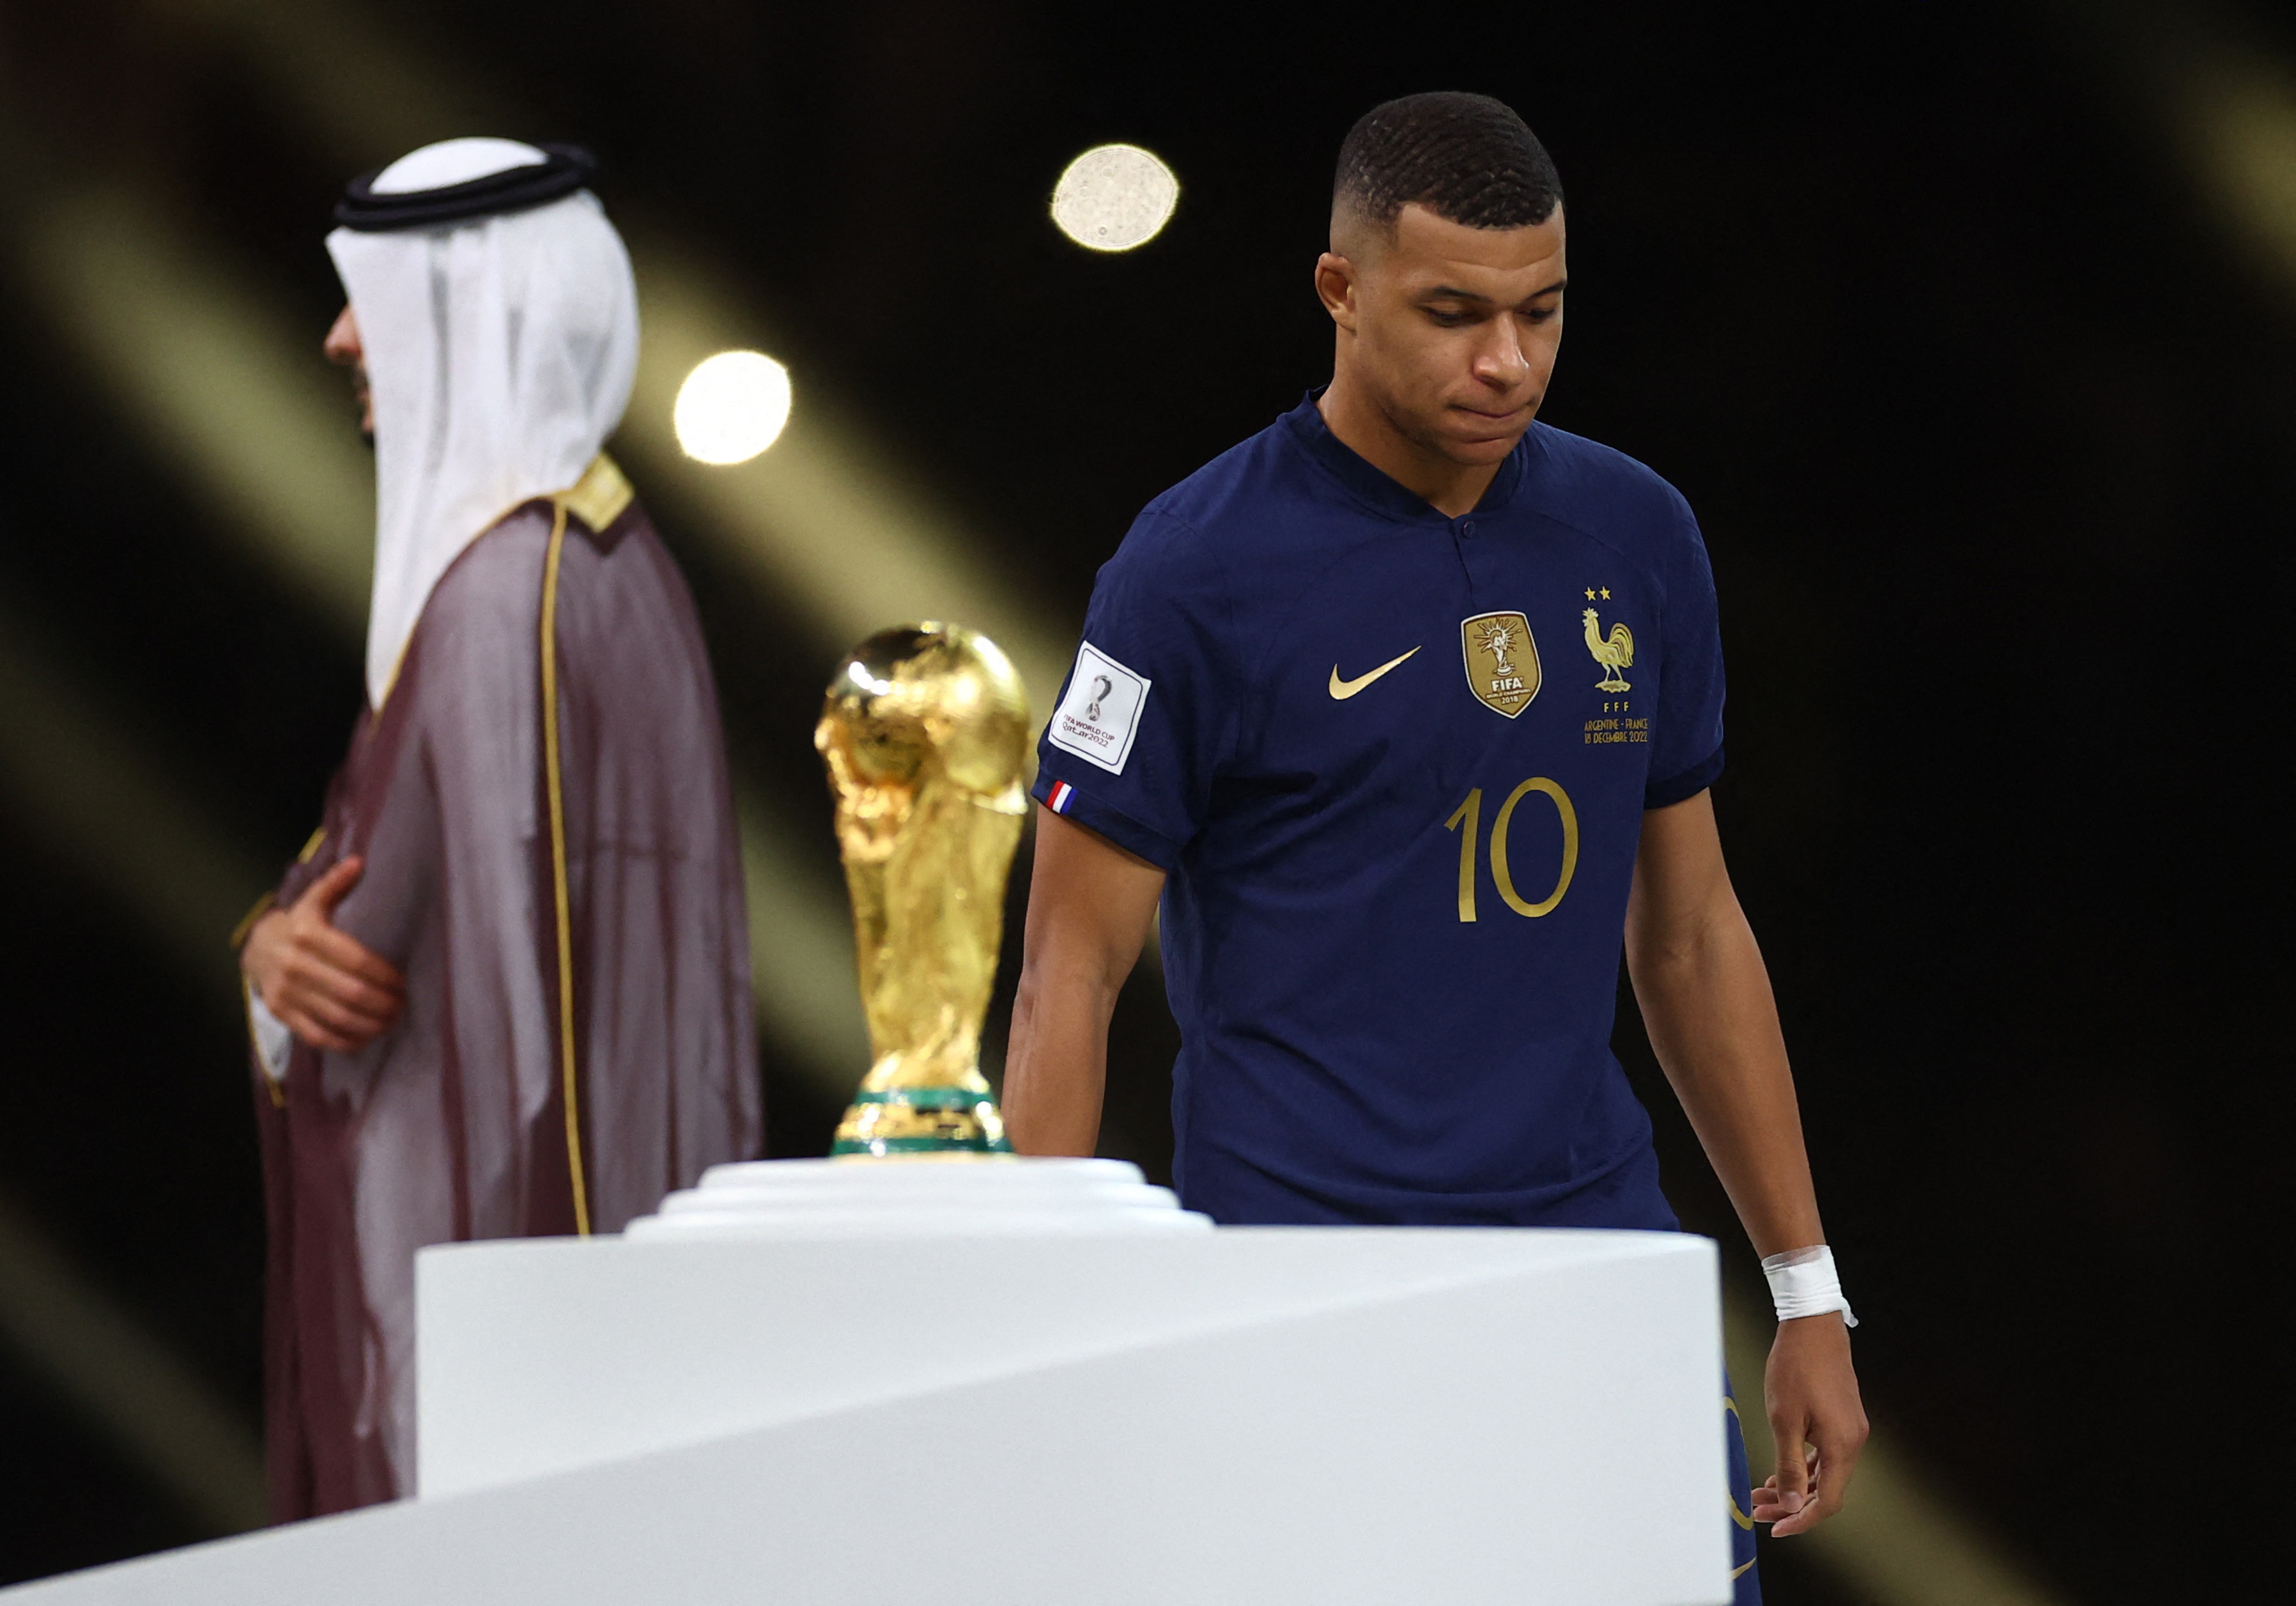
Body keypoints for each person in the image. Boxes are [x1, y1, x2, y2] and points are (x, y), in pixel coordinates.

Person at [1001, 93, 1865, 1599]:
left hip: (1592, 1256)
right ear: (1338, 290)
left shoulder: (1635, 534)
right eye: (1455, 312)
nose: (1507, 362)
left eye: (1542, 311)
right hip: (1297, 1278)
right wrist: (1024, 1325)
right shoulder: (1189, 571)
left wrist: (1808, 1291)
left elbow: (1690, 934)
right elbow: (1070, 968)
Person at [234, 137, 760, 1518]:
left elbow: (462, 995)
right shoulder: (614, 561)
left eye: (374, 303)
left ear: (473, 315)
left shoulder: (498, 603)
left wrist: (286, 963)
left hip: (495, 1327)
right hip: (605, 1320)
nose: (341, 338)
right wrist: (272, 939)